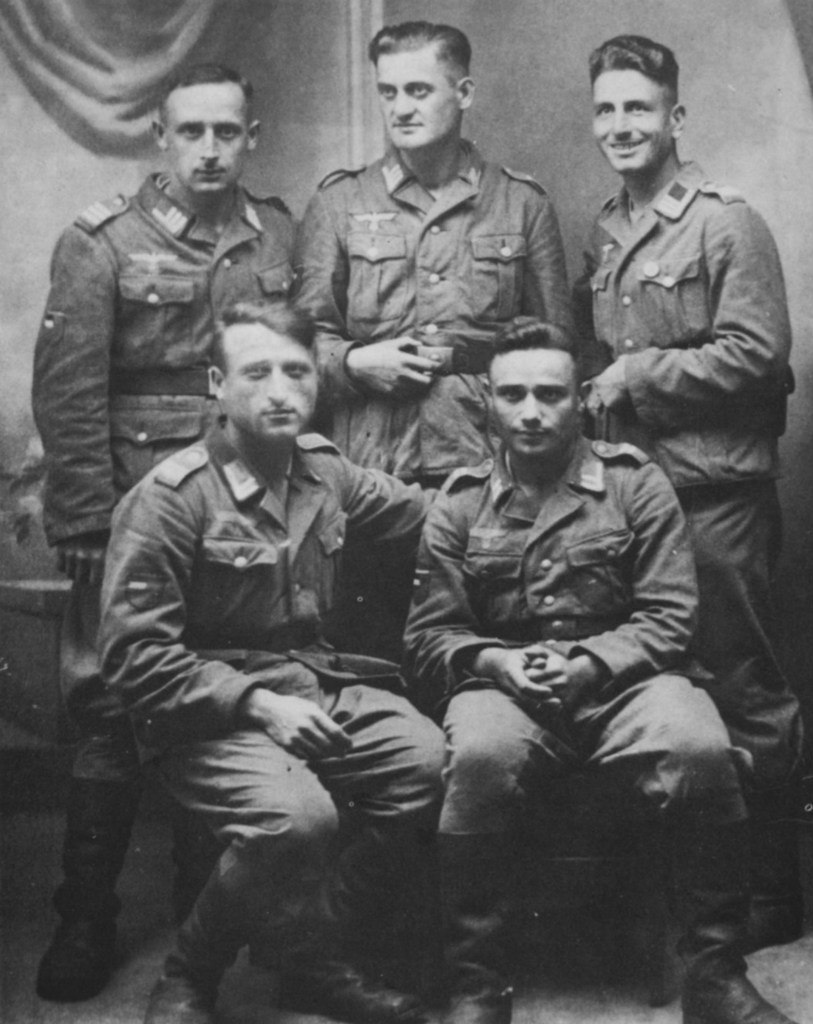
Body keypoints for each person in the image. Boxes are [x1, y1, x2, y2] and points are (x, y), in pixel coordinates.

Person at [403, 318, 800, 1024]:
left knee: (698, 746)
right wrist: (496, 661)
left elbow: (670, 616)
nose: (530, 412)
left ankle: (713, 975)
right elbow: (430, 635)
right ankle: (477, 983)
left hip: (627, 682)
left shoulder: (634, 484)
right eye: (512, 394)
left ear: (580, 399)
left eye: (550, 394)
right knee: (481, 756)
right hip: (505, 687)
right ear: (488, 402)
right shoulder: (458, 501)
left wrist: (590, 663)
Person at [98, 299, 445, 1024]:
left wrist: (525, 485)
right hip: (203, 712)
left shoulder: (323, 471)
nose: (281, 391)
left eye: (297, 372)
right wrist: (257, 705)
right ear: (216, 386)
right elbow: (134, 657)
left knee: (427, 765)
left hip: (310, 685)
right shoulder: (170, 499)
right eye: (257, 373)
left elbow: (429, 510)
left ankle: (310, 957)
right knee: (295, 820)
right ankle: (189, 975)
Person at [31, 64, 295, 1001]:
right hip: (133, 507)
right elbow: (68, 387)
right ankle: (85, 916)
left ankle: (200, 907)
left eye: (227, 132)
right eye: (192, 132)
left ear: (251, 136)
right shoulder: (102, 240)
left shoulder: (276, 233)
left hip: (240, 505)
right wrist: (82, 516)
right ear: (160, 136)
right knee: (112, 702)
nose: (209, 151)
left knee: (219, 684)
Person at [574, 34, 804, 952]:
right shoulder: (607, 227)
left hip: (715, 495)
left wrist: (636, 377)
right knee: (663, 687)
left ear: (675, 116)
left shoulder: (724, 223)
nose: (620, 125)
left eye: (638, 107)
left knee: (742, 684)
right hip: (635, 497)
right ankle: (693, 892)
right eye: (605, 109)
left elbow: (759, 354)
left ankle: (771, 892)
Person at [295, 19, 572, 656]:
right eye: (388, 92)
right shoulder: (340, 202)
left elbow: (557, 346)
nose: (401, 108)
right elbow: (300, 345)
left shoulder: (521, 204)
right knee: (370, 644)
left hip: (485, 456)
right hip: (371, 462)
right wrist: (356, 362)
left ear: (464, 92)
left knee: (485, 638)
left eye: (419, 90)